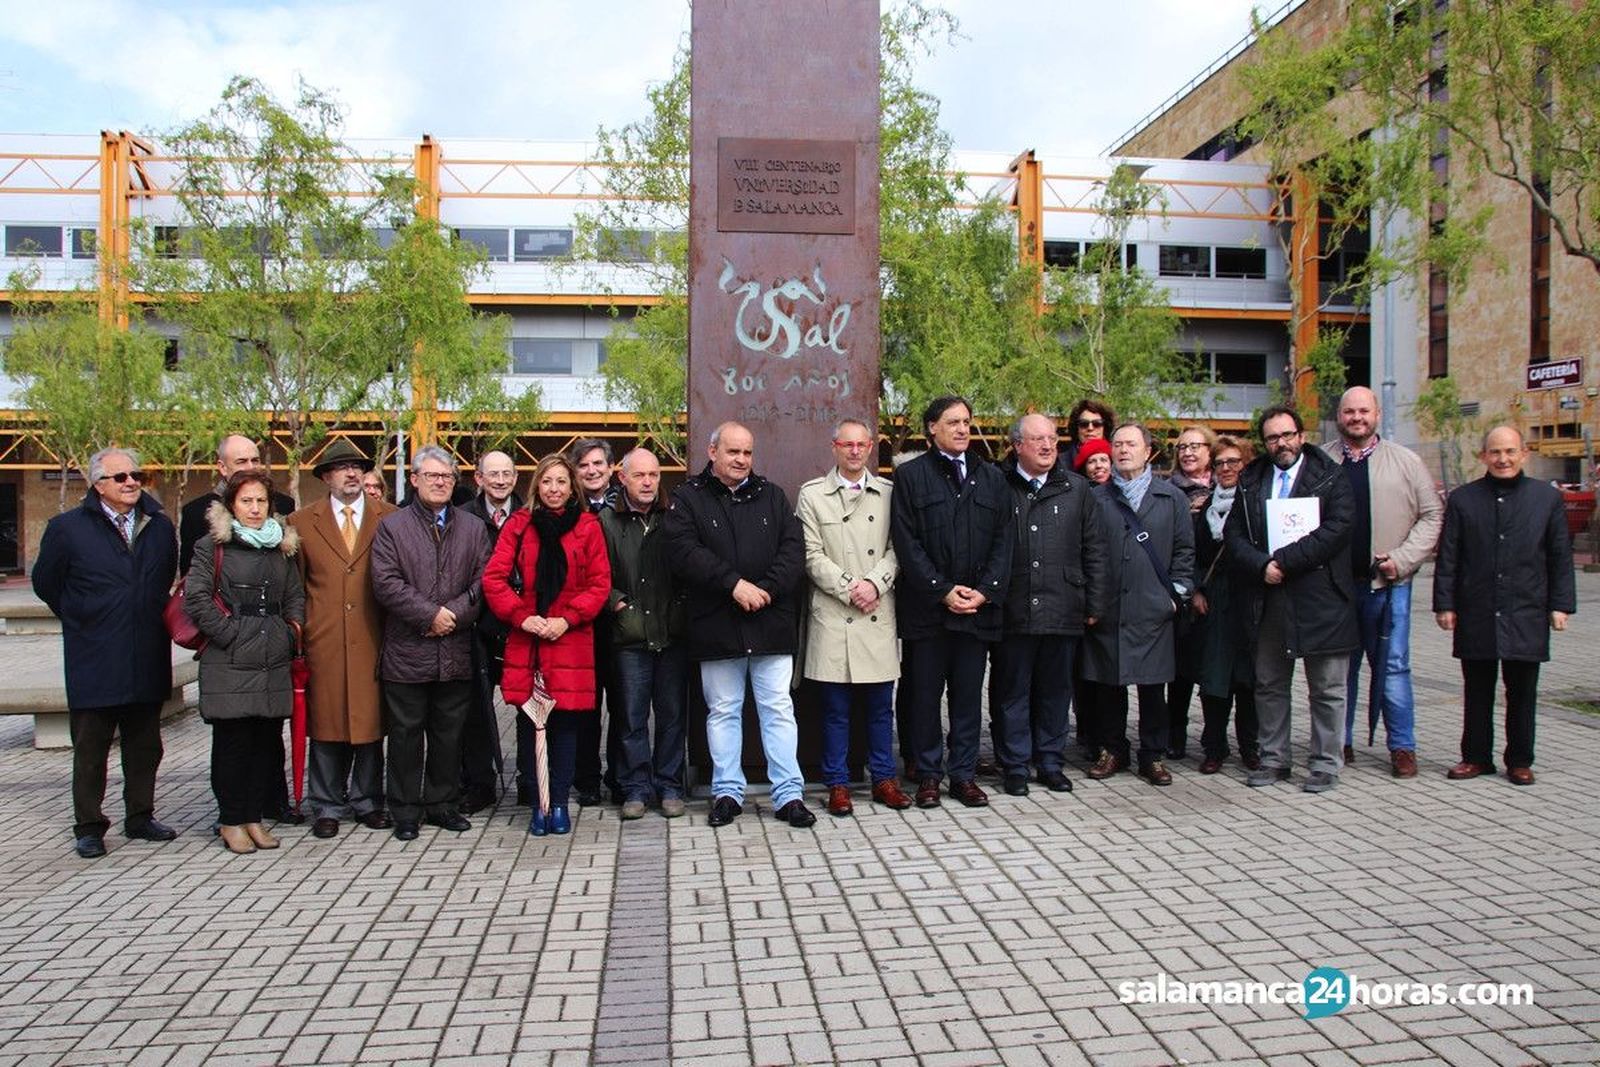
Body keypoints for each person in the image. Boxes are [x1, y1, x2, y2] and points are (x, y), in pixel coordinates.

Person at [664, 422, 814, 828]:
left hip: (770, 622)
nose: (741, 460)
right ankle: (727, 792)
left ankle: (789, 796)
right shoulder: (687, 498)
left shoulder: (773, 497)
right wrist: (733, 585)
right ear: (712, 452)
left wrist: (763, 590)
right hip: (717, 625)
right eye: (733, 452)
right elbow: (683, 552)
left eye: (747, 453)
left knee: (779, 710)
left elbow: (793, 550)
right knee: (724, 711)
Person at [33, 447, 179, 859]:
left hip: (146, 649)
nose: (131, 482)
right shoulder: (67, 528)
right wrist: (82, 613)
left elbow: (165, 575)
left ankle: (140, 815)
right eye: (121, 477)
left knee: (146, 744)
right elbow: (46, 582)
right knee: (92, 746)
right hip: (94, 652)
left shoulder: (160, 526)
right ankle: (89, 825)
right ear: (98, 484)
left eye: (137, 474)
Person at [1225, 405, 1357, 794]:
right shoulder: (1252, 479)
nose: (1280, 443)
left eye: (1287, 435)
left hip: (1321, 598)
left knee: (1328, 688)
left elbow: (1339, 527)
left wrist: (1287, 560)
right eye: (1272, 437)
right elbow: (1234, 536)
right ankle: (1273, 759)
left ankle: (1325, 765)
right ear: (1264, 443)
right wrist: (1262, 565)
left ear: (1301, 436)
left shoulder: (1331, 476)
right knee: (1269, 683)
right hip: (1268, 595)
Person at [890, 395, 1012, 809]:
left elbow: (1003, 540)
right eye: (952, 422)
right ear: (931, 428)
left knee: (966, 698)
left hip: (976, 610)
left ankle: (962, 775)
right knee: (924, 697)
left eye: (966, 421)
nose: (962, 429)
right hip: (928, 611)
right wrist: (942, 590)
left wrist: (985, 590)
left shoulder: (991, 476)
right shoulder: (911, 477)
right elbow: (907, 543)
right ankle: (927, 775)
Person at [1434, 426, 1575, 786]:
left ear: (1524, 454)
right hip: (1477, 607)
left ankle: (1520, 760)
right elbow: (1450, 556)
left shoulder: (1546, 499)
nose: (1503, 459)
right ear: (1483, 456)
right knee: (1477, 689)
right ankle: (1476, 757)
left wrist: (1560, 605)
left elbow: (1559, 556)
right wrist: (1445, 604)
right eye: (1495, 452)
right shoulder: (1464, 499)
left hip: (1527, 607)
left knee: (1523, 691)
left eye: (1510, 452)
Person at [370, 446, 493, 840]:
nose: (440, 482)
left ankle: (442, 803)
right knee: (406, 736)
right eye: (432, 475)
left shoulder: (473, 528)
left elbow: (484, 581)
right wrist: (429, 615)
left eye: (446, 476)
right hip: (408, 651)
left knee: (448, 733)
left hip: (455, 650)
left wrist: (453, 614)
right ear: (415, 479)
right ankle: (405, 809)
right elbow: (386, 583)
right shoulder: (392, 527)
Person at [484, 453, 611, 835]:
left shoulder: (588, 526)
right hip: (529, 639)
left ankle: (558, 803)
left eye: (561, 482)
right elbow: (495, 579)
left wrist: (566, 618)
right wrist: (523, 617)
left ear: (572, 487)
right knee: (530, 726)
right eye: (547, 482)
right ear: (536, 486)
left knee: (567, 727)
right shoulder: (519, 525)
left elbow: (599, 584)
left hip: (570, 639)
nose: (554, 489)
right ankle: (537, 803)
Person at [1323, 386, 1443, 776]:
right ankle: (1338, 742)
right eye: (1349, 412)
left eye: (1363, 411)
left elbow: (1431, 516)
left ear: (1376, 414)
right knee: (1340, 668)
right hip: (1336, 588)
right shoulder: (1322, 461)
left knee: (1393, 666)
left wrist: (1404, 560)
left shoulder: (1406, 462)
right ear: (1339, 416)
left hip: (1388, 586)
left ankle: (1402, 746)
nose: (1356, 418)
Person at [185, 471, 306, 854]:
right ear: (231, 505)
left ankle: (253, 816)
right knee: (233, 743)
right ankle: (231, 819)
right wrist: (231, 634)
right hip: (231, 658)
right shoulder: (212, 546)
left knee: (264, 742)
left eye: (261, 502)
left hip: (272, 656)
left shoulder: (281, 546)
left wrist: (291, 632)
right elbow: (198, 599)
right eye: (246, 501)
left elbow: (294, 596)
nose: (255, 509)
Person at [797, 419, 910, 817]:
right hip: (834, 613)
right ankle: (838, 784)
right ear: (835, 447)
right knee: (835, 710)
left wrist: (875, 584)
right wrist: (850, 587)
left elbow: (900, 547)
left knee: (881, 707)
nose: (856, 451)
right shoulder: (812, 495)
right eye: (848, 444)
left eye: (863, 445)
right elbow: (810, 555)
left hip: (876, 612)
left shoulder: (889, 493)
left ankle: (883, 779)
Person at [285, 439, 395, 840]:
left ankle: (368, 801)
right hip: (324, 639)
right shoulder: (300, 523)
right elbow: (295, 587)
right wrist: (301, 633)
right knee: (327, 723)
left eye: (357, 467)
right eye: (342, 467)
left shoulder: (390, 517)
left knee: (369, 723)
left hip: (372, 635)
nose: (351, 474)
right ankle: (327, 804)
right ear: (326, 477)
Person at [993, 413, 1107, 796]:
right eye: (1037, 439)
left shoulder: (1077, 489)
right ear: (1017, 445)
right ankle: (1014, 765)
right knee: (1012, 692)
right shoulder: (998, 486)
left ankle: (1050, 761)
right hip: (1013, 608)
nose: (1047, 446)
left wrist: (1095, 601)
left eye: (1052, 439)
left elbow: (1095, 549)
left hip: (1064, 606)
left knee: (1056, 692)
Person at [1080, 423, 1194, 787]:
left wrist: (1175, 596)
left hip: (1154, 606)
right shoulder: (1095, 497)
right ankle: (1112, 749)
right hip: (1109, 607)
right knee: (1108, 685)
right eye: (1117, 444)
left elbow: (1184, 552)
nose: (1123, 450)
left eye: (1131, 444)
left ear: (1149, 451)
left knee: (1152, 686)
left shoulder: (1171, 497)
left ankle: (1153, 755)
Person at [600, 448, 691, 819]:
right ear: (622, 477)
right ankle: (635, 787)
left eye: (654, 474)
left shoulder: (675, 517)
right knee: (630, 716)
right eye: (640, 475)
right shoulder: (606, 521)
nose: (649, 482)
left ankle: (669, 785)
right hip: (630, 637)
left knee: (671, 715)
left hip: (671, 633)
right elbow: (594, 574)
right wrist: (617, 602)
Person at [1189, 436, 1261, 774]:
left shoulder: (1256, 503)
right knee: (1214, 681)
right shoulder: (1205, 508)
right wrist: (1197, 591)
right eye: (1219, 463)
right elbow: (1194, 555)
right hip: (1214, 601)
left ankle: (1251, 747)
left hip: (1249, 599)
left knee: (1248, 681)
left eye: (1234, 462)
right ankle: (1214, 747)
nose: (1226, 468)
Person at [458, 450, 524, 813]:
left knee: (529, 705)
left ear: (516, 477)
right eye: (492, 474)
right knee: (477, 711)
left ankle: (531, 781)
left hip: (521, 624)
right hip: (478, 625)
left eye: (507, 474)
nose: (500, 481)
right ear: (478, 478)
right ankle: (479, 784)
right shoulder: (463, 518)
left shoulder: (530, 514)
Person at [568, 437, 618, 806]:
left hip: (618, 621)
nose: (592, 471)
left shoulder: (625, 503)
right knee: (584, 707)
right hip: (580, 623)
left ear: (611, 468)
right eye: (584, 465)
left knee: (622, 705)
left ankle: (619, 776)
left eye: (598, 464)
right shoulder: (566, 508)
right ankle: (585, 779)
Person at [1165, 424, 1216, 758]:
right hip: (1181, 592)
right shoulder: (1168, 492)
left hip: (1221, 593)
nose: (1188, 452)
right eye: (1182, 447)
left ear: (1210, 451)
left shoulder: (1227, 488)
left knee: (1215, 671)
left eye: (1196, 446)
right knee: (1180, 674)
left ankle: (1215, 742)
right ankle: (1174, 738)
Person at [179, 434, 295, 575]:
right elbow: (190, 575)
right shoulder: (197, 512)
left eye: (255, 460)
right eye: (242, 462)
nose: (251, 467)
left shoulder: (284, 505)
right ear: (223, 467)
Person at [1070, 436, 1113, 758]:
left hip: (1104, 601)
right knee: (1083, 677)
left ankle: (1108, 741)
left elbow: (1096, 553)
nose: (1099, 467)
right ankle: (1089, 737)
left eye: (1103, 460)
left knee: (1109, 679)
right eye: (1092, 462)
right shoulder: (1076, 494)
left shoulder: (1121, 498)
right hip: (1076, 601)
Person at [1063, 399, 1115, 472]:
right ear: (1076, 428)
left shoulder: (1117, 458)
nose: (1090, 428)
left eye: (1097, 424)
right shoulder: (1061, 462)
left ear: (1105, 427)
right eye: (1084, 424)